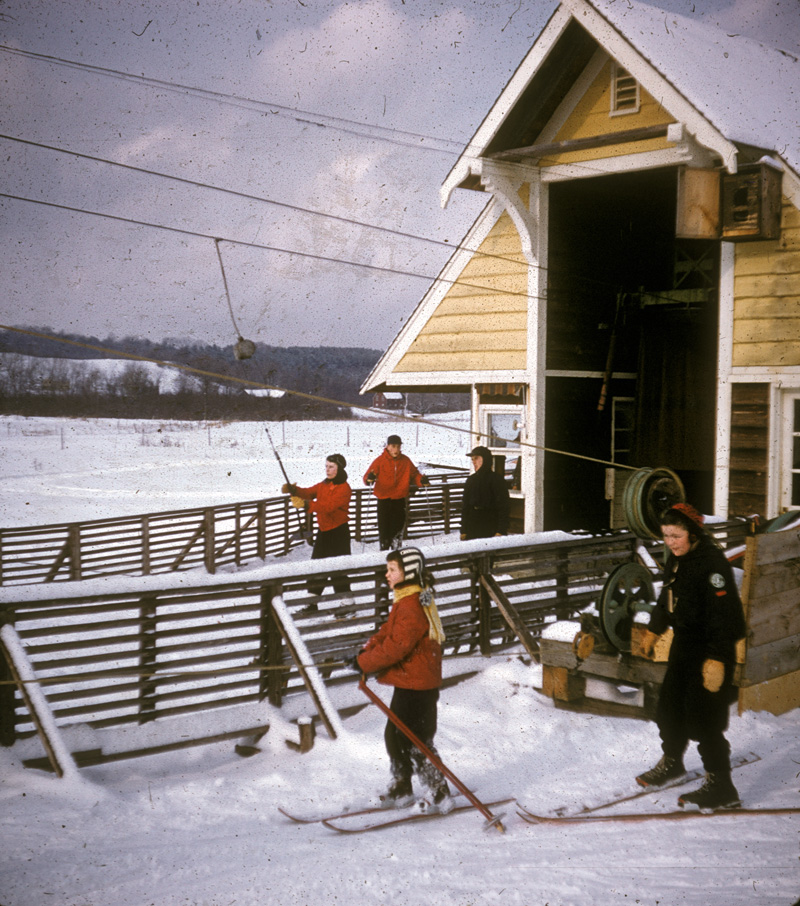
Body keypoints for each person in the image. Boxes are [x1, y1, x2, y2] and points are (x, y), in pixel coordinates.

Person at [635, 503, 747, 810]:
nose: (671, 542)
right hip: (684, 645)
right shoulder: (676, 560)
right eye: (666, 536)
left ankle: (721, 785)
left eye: (676, 535)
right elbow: (666, 598)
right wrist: (654, 631)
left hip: (711, 649)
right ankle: (672, 763)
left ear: (693, 532)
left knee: (704, 717)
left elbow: (728, 616)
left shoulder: (713, 566)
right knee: (668, 708)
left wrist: (716, 660)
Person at [352, 547, 453, 813]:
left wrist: (364, 662)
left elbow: (398, 645)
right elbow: (388, 631)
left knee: (416, 740)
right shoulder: (405, 598)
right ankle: (402, 785)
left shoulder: (412, 604)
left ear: (408, 572)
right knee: (394, 735)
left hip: (419, 684)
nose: (387, 574)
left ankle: (439, 791)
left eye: (392, 569)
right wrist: (365, 652)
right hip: (409, 681)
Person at [283, 453, 352, 612]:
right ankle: (311, 603)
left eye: (331, 467)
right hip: (324, 532)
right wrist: (294, 490)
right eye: (326, 466)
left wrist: (307, 506)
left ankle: (347, 604)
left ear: (339, 468)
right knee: (317, 567)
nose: (327, 470)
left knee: (338, 570)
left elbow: (327, 506)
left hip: (339, 532)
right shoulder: (324, 484)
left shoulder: (344, 488)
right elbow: (309, 492)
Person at [364, 434, 429, 550]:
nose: (396, 450)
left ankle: (396, 558)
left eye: (398, 446)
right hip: (384, 501)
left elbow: (414, 475)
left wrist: (421, 480)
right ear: (388, 446)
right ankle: (383, 561)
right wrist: (370, 478)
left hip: (399, 501)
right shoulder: (379, 461)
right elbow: (368, 477)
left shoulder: (405, 461)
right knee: (384, 533)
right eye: (393, 446)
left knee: (397, 533)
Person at [460, 445, 510, 540]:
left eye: (476, 458)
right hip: (473, 524)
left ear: (485, 459)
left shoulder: (496, 480)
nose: (474, 462)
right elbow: (465, 507)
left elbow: (504, 507)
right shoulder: (471, 480)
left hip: (490, 525)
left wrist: (501, 531)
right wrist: (464, 530)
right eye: (472, 459)